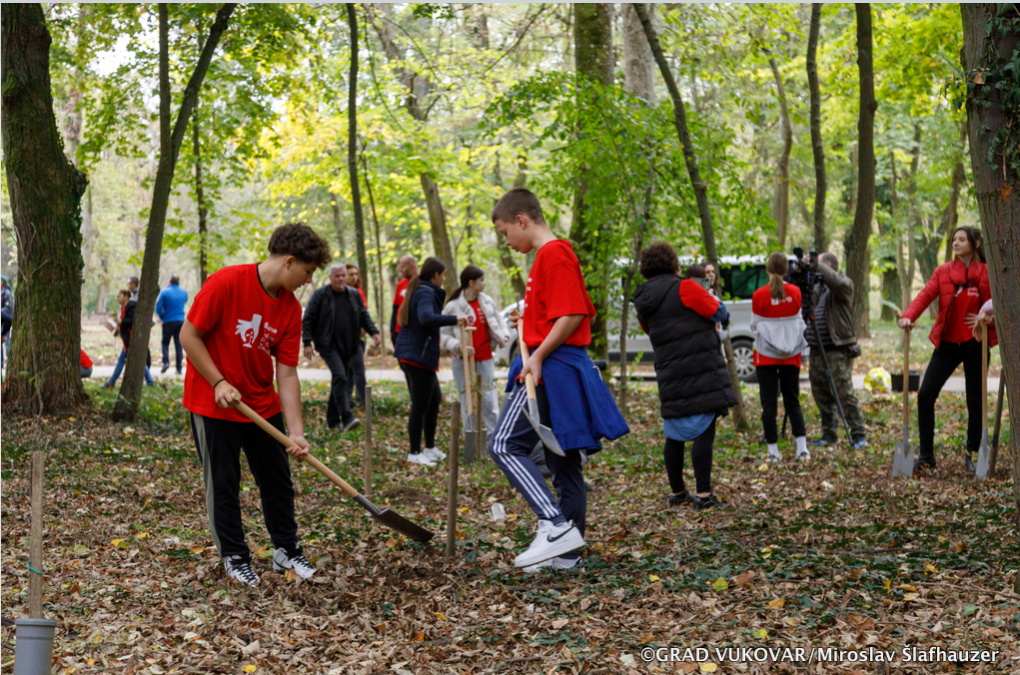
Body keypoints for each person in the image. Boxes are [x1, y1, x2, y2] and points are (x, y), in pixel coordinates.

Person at [180, 222, 331, 587]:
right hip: (213, 403)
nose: (308, 280)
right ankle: (235, 555)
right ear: (290, 261)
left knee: (277, 479)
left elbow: (288, 374)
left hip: (261, 404)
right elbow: (189, 335)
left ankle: (286, 550)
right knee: (224, 482)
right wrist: (218, 381)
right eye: (308, 272)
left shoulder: (291, 310)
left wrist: (295, 432)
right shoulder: (226, 283)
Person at [489, 188, 629, 573]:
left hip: (552, 370)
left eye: (504, 232)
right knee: (563, 462)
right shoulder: (547, 258)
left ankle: (555, 525)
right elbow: (563, 313)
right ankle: (566, 557)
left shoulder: (553, 253)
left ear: (521, 221)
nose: (506, 240)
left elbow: (574, 317)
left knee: (502, 444)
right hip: (555, 367)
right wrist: (529, 321)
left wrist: (536, 355)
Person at [634, 246, 737, 510]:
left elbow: (649, 329)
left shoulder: (642, 298)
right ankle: (703, 496)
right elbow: (720, 314)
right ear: (673, 264)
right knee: (704, 428)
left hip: (669, 370)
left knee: (675, 431)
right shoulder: (686, 288)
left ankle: (678, 493)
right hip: (699, 366)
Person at [899, 226, 996, 474]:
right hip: (947, 344)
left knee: (975, 400)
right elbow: (925, 295)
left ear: (975, 243)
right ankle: (926, 455)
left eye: (961, 239)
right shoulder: (943, 272)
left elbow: (995, 305)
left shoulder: (987, 272)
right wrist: (908, 316)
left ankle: (971, 453)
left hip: (976, 343)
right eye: (954, 239)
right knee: (925, 394)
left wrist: (986, 319)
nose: (955, 242)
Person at [393, 257, 464, 466]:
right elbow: (426, 318)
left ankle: (430, 448)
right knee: (420, 405)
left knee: (434, 401)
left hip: (417, 355)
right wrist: (455, 319)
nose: (444, 279)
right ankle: (414, 452)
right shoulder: (425, 292)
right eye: (442, 275)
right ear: (435, 275)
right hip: (417, 357)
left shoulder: (422, 289)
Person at [302, 263, 381, 433]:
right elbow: (308, 319)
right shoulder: (320, 295)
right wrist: (307, 342)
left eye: (343, 275)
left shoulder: (353, 294)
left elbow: (363, 315)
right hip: (328, 345)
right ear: (330, 278)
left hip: (349, 345)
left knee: (340, 379)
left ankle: (331, 421)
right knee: (340, 376)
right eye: (337, 276)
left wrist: (374, 332)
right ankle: (346, 417)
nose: (341, 279)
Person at [803, 252, 867, 448]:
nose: (814, 269)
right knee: (821, 393)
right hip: (816, 349)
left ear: (828, 267)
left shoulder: (843, 286)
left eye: (818, 266)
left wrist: (817, 267)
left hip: (837, 349)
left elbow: (839, 284)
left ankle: (858, 434)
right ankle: (829, 433)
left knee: (844, 392)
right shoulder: (817, 291)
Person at [440, 265, 511, 436]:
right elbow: (443, 335)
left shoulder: (486, 301)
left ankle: (493, 435)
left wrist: (504, 335)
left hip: (485, 357)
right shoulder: (453, 306)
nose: (484, 284)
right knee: (467, 397)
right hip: (462, 360)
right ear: (471, 283)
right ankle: (471, 433)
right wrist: (459, 346)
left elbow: (499, 321)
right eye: (481, 280)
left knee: (489, 397)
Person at [752, 252, 809, 462]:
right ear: (786, 269)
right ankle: (802, 449)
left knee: (768, 403)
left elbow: (755, 325)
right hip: (791, 354)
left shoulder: (759, 295)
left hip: (765, 356)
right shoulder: (796, 292)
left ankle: (773, 452)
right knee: (792, 400)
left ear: (767, 269)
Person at [102, 290, 154, 389]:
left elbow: (134, 320)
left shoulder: (131, 306)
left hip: (132, 340)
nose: (118, 298)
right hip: (127, 339)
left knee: (123, 361)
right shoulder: (124, 308)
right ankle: (149, 381)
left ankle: (111, 382)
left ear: (126, 296)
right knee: (136, 360)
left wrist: (121, 321)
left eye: (120, 296)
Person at [345, 263, 369, 410]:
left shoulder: (359, 292)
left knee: (353, 370)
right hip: (349, 338)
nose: (354, 277)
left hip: (361, 337)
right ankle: (366, 402)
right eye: (350, 274)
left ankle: (351, 400)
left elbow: (364, 313)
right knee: (357, 369)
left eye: (356, 274)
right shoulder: (342, 293)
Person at [156, 274, 188, 375]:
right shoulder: (184, 292)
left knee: (165, 342)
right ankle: (179, 368)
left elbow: (158, 307)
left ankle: (166, 362)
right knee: (178, 344)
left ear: (170, 281)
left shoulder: (164, 292)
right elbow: (185, 301)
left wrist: (162, 317)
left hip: (168, 321)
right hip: (180, 321)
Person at [389, 255, 418, 346]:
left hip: (414, 332)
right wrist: (392, 330)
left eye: (403, 267)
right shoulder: (401, 284)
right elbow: (395, 308)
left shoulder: (423, 282)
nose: (400, 270)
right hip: (399, 331)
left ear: (411, 266)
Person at [1, 275, 12, 370]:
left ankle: (9, 362)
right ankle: (1, 363)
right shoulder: (1, 293)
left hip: (6, 324)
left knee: (7, 343)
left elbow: (9, 308)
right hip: (2, 322)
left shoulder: (7, 293)